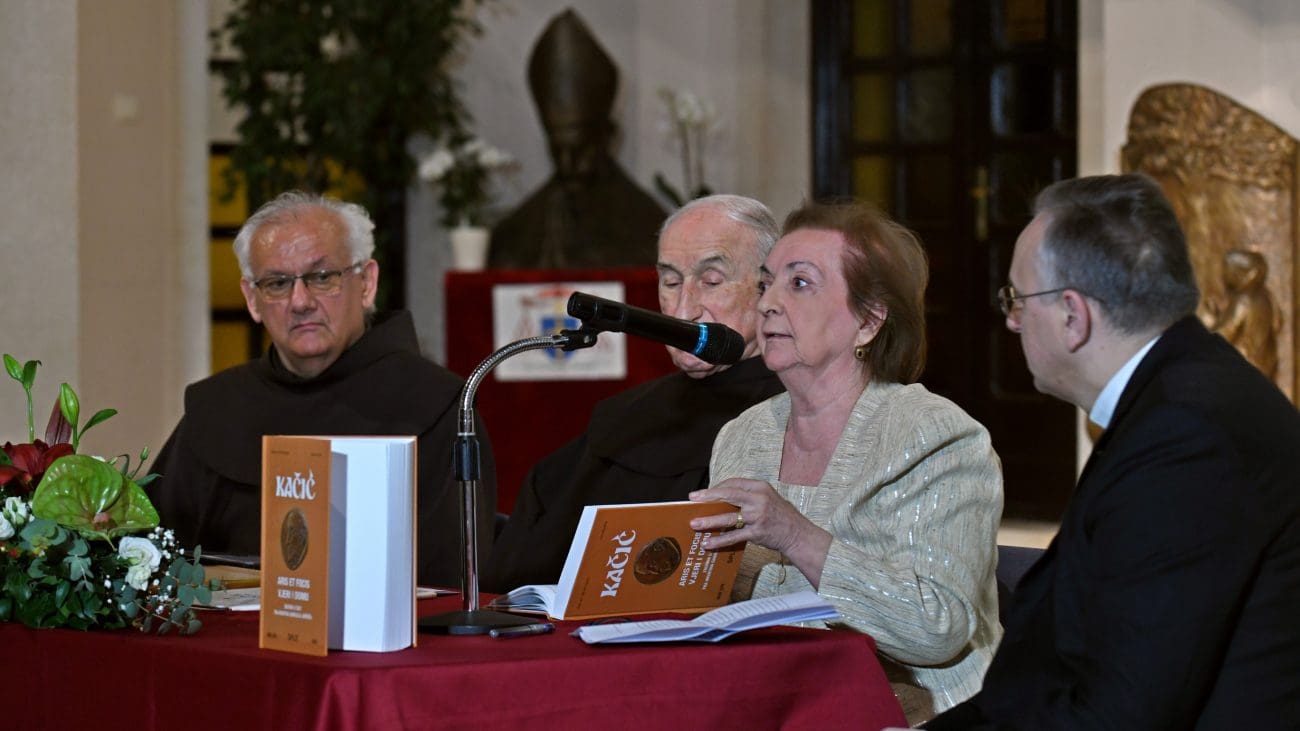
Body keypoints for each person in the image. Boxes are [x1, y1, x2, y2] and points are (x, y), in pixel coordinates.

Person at [925, 174, 1300, 729]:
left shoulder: (1186, 435)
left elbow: (1121, 712)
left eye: (1016, 299)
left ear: (1073, 316)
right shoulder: (1180, 395)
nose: (1011, 321)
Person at [692, 201, 1004, 725]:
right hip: (777, 702)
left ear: (868, 321)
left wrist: (794, 535)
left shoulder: (936, 435)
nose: (767, 303)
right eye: (767, 283)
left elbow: (936, 628)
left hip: (924, 712)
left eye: (800, 283)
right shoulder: (742, 435)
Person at [150, 191, 495, 588]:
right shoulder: (217, 407)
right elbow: (151, 555)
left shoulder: (438, 405)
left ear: (366, 283)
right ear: (252, 299)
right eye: (277, 283)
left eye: (322, 277)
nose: (300, 301)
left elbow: (452, 583)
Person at [481, 194, 786, 592]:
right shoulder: (623, 415)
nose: (684, 309)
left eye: (711, 281)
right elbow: (522, 564)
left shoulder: (794, 412)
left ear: (768, 289)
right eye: (671, 282)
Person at [488, 8, 666, 269]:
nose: (567, 165)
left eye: (579, 150)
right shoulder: (512, 236)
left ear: (608, 136)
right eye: (557, 150)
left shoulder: (650, 226)